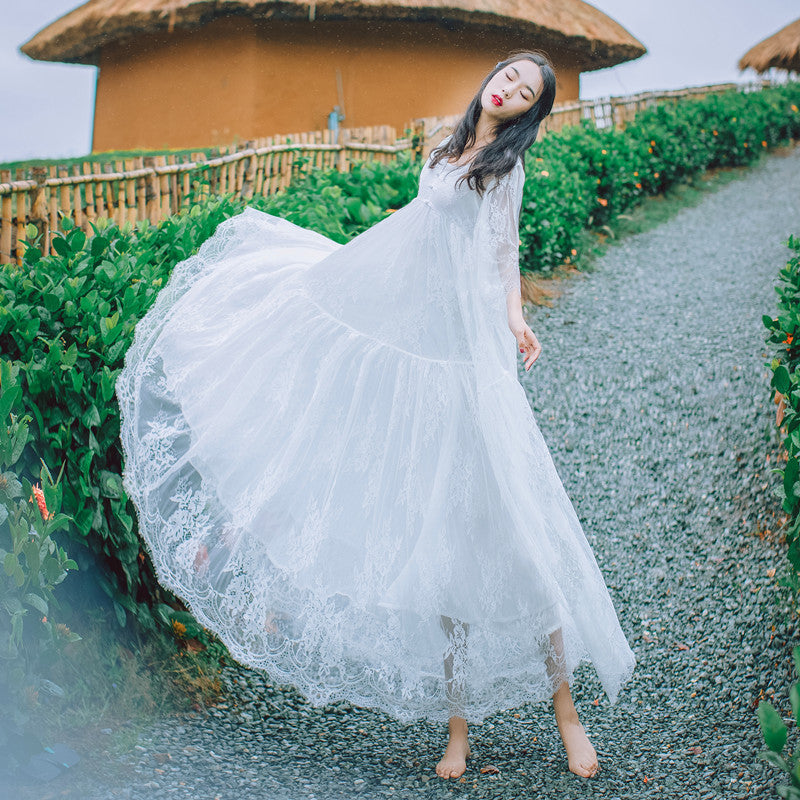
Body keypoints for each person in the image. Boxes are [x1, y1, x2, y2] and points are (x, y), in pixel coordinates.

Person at [115, 51, 636, 785]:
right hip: (421, 349)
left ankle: (566, 713)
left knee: (520, 535)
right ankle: (458, 731)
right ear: (493, 79)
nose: (509, 89)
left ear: (529, 113)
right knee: (444, 547)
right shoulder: (446, 149)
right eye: (509, 76)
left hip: (470, 360)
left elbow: (502, 253)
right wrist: (342, 271)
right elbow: (415, 230)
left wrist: (517, 319)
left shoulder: (502, 170)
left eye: (526, 92)